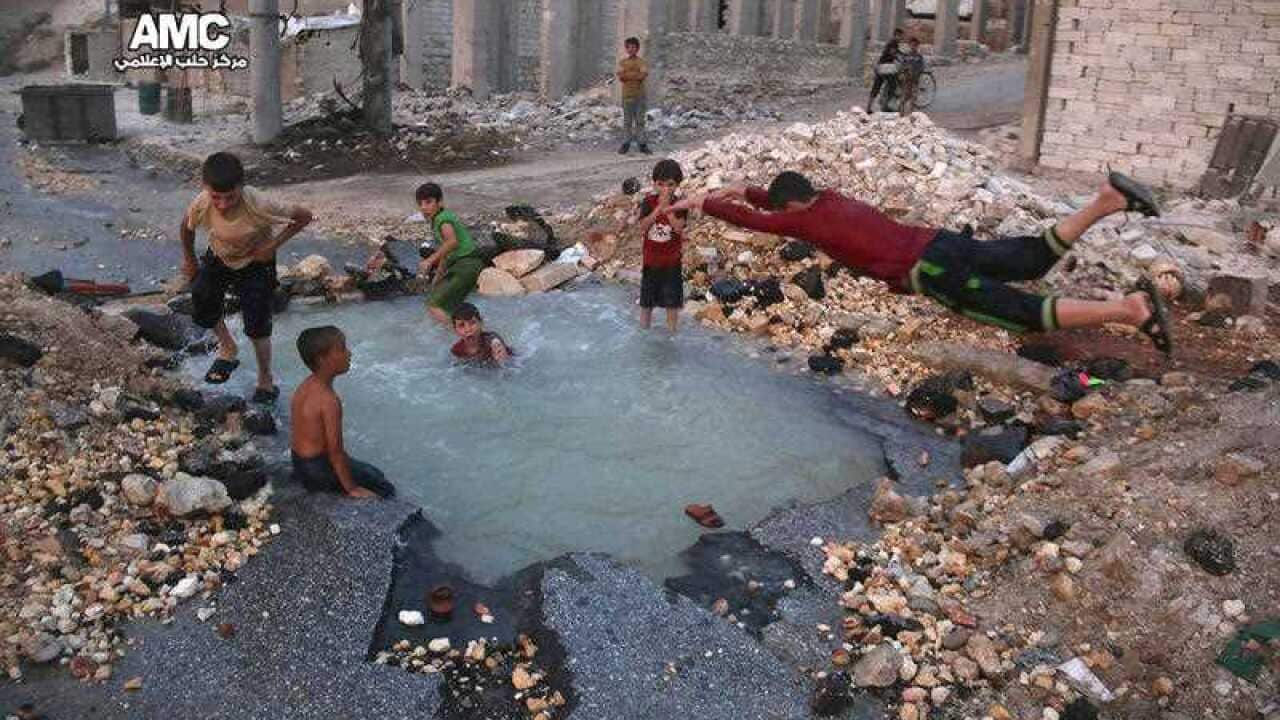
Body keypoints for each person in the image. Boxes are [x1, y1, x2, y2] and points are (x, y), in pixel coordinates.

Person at [670, 171, 1174, 353]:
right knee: (1029, 257)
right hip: (940, 242)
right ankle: (1106, 201)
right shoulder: (828, 200)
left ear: (792, 207)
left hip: (930, 271)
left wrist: (705, 203)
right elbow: (779, 205)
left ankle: (1130, 310)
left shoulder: (804, 222)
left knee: (1019, 312)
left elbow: (762, 222)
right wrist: (748, 190)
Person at [181, 151, 313, 403]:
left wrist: (272, 246)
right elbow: (185, 227)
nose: (222, 204)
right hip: (219, 256)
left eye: (229, 197)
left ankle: (265, 377)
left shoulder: (259, 203)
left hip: (255, 262)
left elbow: (304, 217)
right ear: (206, 188)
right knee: (201, 295)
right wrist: (189, 260)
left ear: (241, 187)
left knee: (257, 323)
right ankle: (228, 346)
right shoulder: (202, 202)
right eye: (216, 197)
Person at [290, 326, 395, 499]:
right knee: (383, 486)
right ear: (322, 359)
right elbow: (335, 453)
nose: (349, 353)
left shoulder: (305, 386)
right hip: (318, 471)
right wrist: (352, 489)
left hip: (300, 463)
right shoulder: (329, 400)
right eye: (342, 349)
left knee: (373, 472)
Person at [415, 183, 485, 325]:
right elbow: (446, 253)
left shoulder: (442, 219)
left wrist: (429, 260)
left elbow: (452, 242)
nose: (423, 207)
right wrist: (437, 278)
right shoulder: (438, 219)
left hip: (467, 264)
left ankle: (458, 337)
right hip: (463, 265)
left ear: (440, 202)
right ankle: (476, 332)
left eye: (428, 202)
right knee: (450, 307)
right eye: (420, 204)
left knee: (433, 305)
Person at [636, 159, 689, 333]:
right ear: (655, 184)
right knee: (646, 303)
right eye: (661, 184)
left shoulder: (680, 204)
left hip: (671, 262)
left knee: (672, 303)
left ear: (677, 185)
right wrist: (658, 209)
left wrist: (668, 209)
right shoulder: (648, 202)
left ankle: (672, 334)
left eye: (670, 185)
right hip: (651, 261)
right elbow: (643, 226)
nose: (665, 189)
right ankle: (643, 333)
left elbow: (679, 228)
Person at [617, 37, 652, 155]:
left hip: (640, 96)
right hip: (627, 96)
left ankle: (642, 144)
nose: (631, 49)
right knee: (627, 121)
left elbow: (643, 75)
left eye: (634, 47)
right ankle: (626, 143)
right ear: (626, 49)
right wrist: (635, 74)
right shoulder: (622, 62)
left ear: (637, 48)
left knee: (640, 121)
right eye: (629, 47)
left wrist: (629, 75)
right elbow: (621, 76)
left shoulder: (642, 62)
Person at [868, 28, 904, 113]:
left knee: (876, 87)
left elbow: (896, 52)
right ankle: (887, 105)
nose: (901, 38)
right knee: (893, 85)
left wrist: (902, 54)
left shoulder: (893, 43)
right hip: (886, 68)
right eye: (900, 36)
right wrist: (900, 58)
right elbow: (893, 53)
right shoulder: (893, 42)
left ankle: (869, 107)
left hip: (881, 66)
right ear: (896, 35)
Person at [897, 38, 926, 116]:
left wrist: (919, 74)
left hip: (915, 80)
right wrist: (904, 71)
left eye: (915, 45)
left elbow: (922, 68)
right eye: (912, 45)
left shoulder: (919, 57)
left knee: (913, 98)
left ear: (917, 46)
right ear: (909, 45)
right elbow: (902, 66)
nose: (913, 47)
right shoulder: (906, 56)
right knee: (905, 96)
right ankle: (901, 113)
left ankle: (910, 114)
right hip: (907, 80)